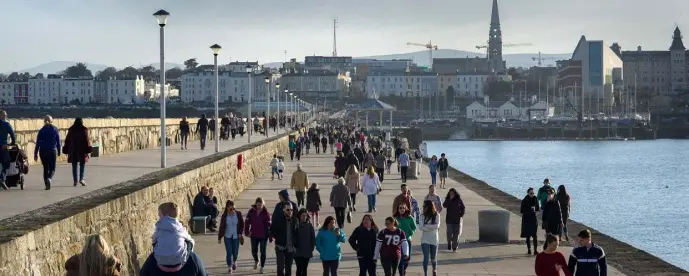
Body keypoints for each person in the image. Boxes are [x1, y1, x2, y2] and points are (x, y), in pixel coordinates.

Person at [152, 203, 195, 271]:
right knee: (189, 242)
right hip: (178, 263)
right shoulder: (181, 228)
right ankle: (191, 259)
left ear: (165, 215)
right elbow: (190, 240)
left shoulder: (159, 227)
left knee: (156, 242)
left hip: (161, 263)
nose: (159, 217)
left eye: (160, 215)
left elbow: (153, 241)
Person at [244, 197, 271, 274]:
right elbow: (247, 222)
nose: (259, 206)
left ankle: (262, 267)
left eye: (261, 205)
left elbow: (269, 225)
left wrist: (270, 235)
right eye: (258, 205)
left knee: (263, 252)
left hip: (263, 235)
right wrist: (247, 232)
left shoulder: (266, 213)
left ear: (263, 204)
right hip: (254, 234)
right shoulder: (251, 211)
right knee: (253, 251)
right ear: (255, 204)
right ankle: (256, 260)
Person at [270, 203, 298, 276]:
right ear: (283, 210)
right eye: (288, 209)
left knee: (288, 268)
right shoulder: (278, 219)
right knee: (280, 266)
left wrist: (295, 245)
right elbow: (272, 230)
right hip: (280, 246)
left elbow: (297, 233)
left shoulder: (295, 220)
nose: (290, 211)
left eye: (291, 210)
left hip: (290, 248)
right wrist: (278, 237)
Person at [217, 200, 244, 274]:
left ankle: (234, 261)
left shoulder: (238, 214)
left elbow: (242, 225)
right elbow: (221, 227)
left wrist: (240, 233)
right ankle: (229, 267)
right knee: (229, 252)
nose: (231, 208)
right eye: (229, 207)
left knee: (235, 252)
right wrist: (219, 237)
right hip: (227, 236)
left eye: (232, 206)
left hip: (236, 236)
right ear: (227, 208)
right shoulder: (224, 216)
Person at [34, 115, 60, 190]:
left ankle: (46, 184)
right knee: (52, 168)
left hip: (43, 151)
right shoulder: (55, 129)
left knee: (45, 167)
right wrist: (59, 151)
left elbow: (38, 143)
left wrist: (35, 154)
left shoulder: (41, 130)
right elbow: (58, 141)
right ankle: (49, 178)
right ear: (51, 121)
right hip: (52, 150)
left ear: (44, 121)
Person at [63, 117, 90, 187]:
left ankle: (75, 181)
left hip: (73, 149)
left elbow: (67, 140)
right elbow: (87, 141)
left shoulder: (71, 130)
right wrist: (88, 150)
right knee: (82, 164)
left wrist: (66, 149)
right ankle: (81, 179)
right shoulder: (84, 130)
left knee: (74, 165)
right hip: (82, 150)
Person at [419, 200, 441, 276]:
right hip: (425, 239)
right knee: (426, 257)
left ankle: (434, 269)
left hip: (434, 238)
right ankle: (425, 273)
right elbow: (421, 227)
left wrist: (427, 226)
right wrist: (431, 227)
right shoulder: (422, 215)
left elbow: (437, 226)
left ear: (429, 206)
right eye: (423, 206)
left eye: (425, 206)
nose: (424, 208)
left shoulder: (436, 215)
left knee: (433, 257)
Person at [394, 203, 416, 275]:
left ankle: (403, 269)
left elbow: (414, 227)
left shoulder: (410, 218)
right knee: (400, 260)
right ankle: (401, 272)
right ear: (398, 209)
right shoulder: (395, 218)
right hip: (398, 242)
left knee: (407, 259)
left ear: (406, 209)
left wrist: (410, 233)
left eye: (403, 208)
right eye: (400, 208)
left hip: (407, 240)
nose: (402, 209)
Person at [294, 209, 316, 276]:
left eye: (306, 216)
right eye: (303, 216)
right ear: (299, 216)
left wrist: (312, 247)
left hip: (307, 251)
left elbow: (312, 237)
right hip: (297, 251)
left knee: (304, 268)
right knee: (299, 268)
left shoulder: (309, 226)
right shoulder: (295, 225)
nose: (305, 217)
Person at [521, 187, 540, 255]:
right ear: (528, 193)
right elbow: (522, 211)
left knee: (535, 236)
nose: (532, 194)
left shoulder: (535, 199)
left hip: (534, 219)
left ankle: (535, 250)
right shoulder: (524, 200)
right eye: (531, 193)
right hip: (527, 220)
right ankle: (529, 249)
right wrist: (529, 211)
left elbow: (538, 208)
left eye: (533, 193)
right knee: (528, 236)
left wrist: (535, 211)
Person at [0, 110, 14, 190]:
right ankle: (2, 179)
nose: (5, 117)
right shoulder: (7, 124)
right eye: (4, 115)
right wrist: (12, 143)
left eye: (5, 115)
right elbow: (12, 135)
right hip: (3, 147)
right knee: (6, 163)